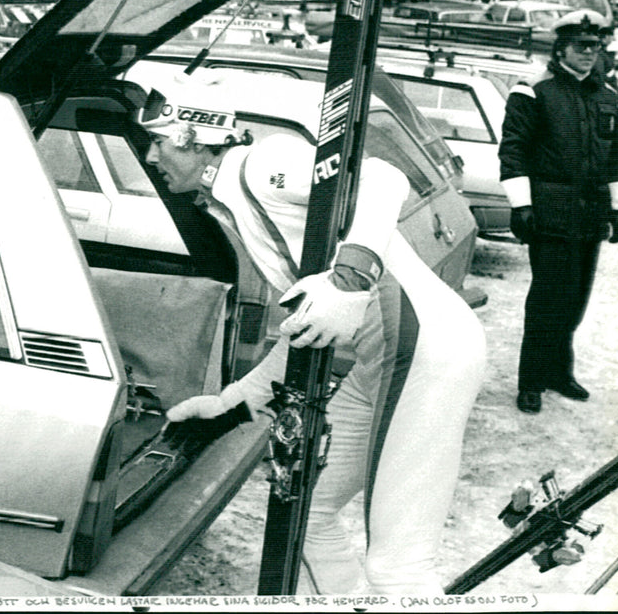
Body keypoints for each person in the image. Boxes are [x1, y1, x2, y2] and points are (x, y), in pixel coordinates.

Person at [135, 71, 486, 593]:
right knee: (308, 512)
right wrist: (231, 406)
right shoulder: (230, 196)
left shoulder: (261, 165)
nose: (150, 158)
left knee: (400, 567)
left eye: (158, 142)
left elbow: (382, 177)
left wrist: (351, 276)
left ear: (193, 136)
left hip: (424, 352)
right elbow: (306, 328)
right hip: (386, 358)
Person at [498, 9, 618, 415]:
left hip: (590, 216)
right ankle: (531, 380)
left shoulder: (606, 94)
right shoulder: (534, 90)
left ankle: (559, 372)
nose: (589, 54)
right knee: (547, 300)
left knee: (575, 300)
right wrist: (521, 204)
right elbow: (514, 149)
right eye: (581, 47)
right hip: (551, 213)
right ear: (561, 48)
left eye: (595, 47)